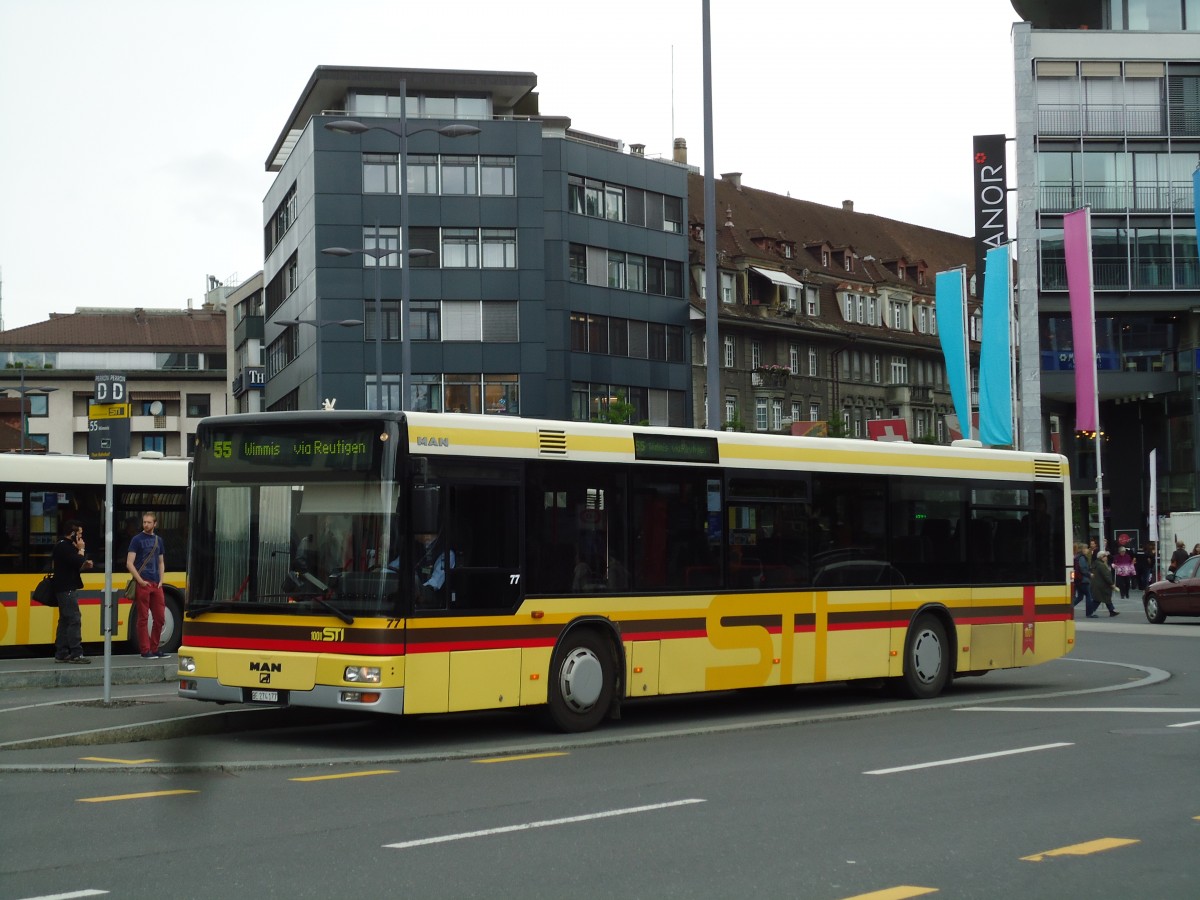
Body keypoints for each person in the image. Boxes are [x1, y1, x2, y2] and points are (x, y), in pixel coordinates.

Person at [126, 511, 168, 659]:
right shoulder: (136, 540)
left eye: (149, 522)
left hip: (156, 584)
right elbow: (129, 563)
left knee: (160, 618)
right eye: (144, 522)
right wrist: (140, 580)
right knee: (143, 618)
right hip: (143, 583)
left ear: (155, 524)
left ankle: (155, 648)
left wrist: (161, 580)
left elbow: (161, 561)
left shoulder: (159, 540)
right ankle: (145, 650)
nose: (146, 525)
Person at [51, 519, 93, 663]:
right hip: (66, 589)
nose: (81, 537)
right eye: (79, 534)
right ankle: (76, 653)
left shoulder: (64, 545)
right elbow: (77, 561)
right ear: (73, 533)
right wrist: (81, 549)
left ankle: (61, 652)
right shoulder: (64, 546)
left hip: (64, 587)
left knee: (64, 621)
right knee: (74, 619)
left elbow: (73, 564)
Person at [1091, 549, 1118, 617]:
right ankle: (1090, 611)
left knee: (1105, 598)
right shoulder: (1101, 565)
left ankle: (1111, 611)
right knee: (1099, 599)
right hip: (1102, 585)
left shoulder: (1096, 563)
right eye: (1105, 556)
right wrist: (1111, 584)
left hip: (1098, 584)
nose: (1106, 557)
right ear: (1101, 557)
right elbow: (1106, 576)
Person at [1072, 542, 1095, 617]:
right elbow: (1083, 568)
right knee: (1089, 595)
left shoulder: (1077, 557)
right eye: (1086, 548)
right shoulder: (1081, 558)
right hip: (1083, 580)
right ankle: (1089, 613)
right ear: (1082, 549)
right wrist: (1089, 574)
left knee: (1080, 597)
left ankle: (1069, 609)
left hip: (1079, 580)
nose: (1087, 550)